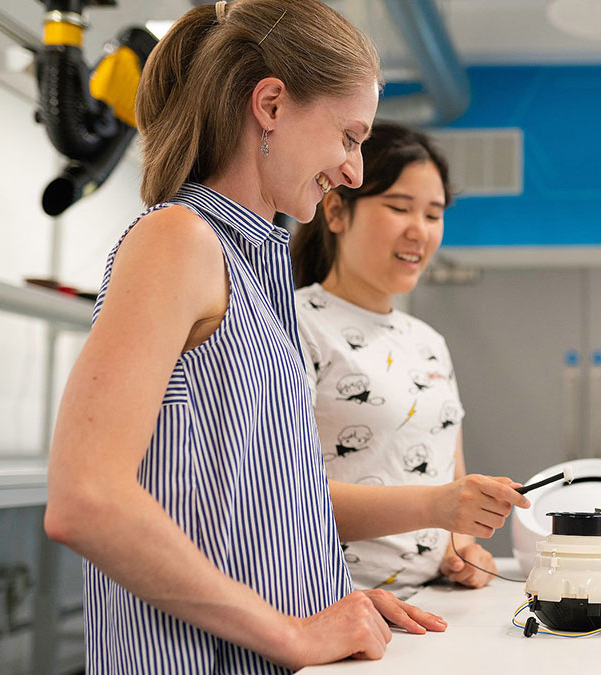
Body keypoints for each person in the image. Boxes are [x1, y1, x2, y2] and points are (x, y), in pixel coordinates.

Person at [43, 2, 450, 671]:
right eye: (349, 137)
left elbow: (251, 504)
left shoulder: (256, 267)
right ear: (270, 105)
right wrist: (293, 634)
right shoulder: (178, 240)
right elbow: (86, 500)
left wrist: (332, 593)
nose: (353, 168)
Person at [291, 122, 530, 596]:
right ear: (336, 211)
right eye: (399, 208)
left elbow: (450, 478)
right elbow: (282, 498)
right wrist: (436, 507)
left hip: (431, 603)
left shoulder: (428, 341)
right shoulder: (295, 324)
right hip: (336, 603)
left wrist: (463, 549)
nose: (419, 231)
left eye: (434, 214)